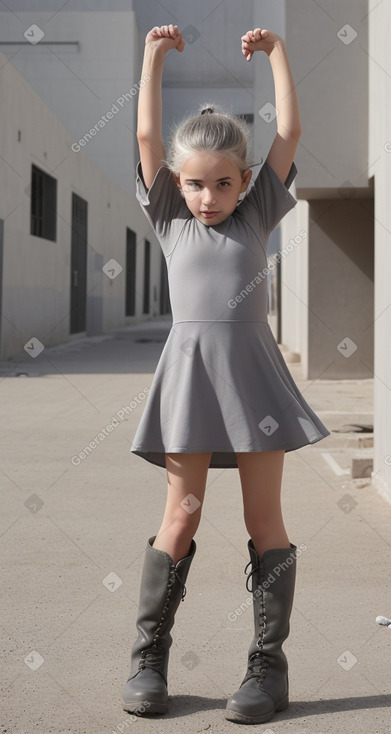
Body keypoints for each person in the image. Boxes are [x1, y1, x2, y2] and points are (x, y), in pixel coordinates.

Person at [122, 23, 330, 725]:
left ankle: (268, 669)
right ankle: (148, 658)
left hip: (251, 380)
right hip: (188, 379)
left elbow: (291, 131)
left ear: (244, 183)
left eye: (220, 184)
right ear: (175, 185)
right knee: (179, 516)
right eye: (193, 184)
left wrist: (278, 54)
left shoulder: (256, 217)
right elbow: (148, 138)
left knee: (262, 515)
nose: (206, 196)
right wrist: (150, 58)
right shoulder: (169, 219)